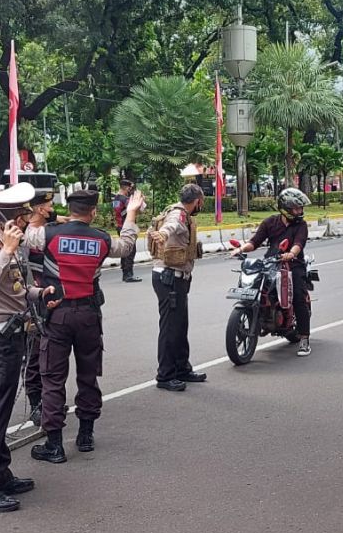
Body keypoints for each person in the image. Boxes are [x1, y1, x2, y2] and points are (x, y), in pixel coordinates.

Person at [24, 187, 143, 463]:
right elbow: (125, 246)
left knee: (52, 379)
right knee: (88, 374)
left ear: (70, 209)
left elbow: (26, 233)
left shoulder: (48, 235)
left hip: (58, 314)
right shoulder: (101, 239)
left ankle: (54, 445)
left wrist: (46, 216)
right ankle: (85, 435)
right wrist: (132, 213)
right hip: (89, 315)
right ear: (93, 211)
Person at [0, 183, 58, 512]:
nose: (27, 221)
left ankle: (0, 472)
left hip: (11, 332)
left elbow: (14, 288)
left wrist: (38, 294)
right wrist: (5, 251)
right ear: (9, 219)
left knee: (2, 410)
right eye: (23, 216)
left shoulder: (9, 244)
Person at [229, 188, 313, 357]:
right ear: (285, 208)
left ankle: (304, 338)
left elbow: (299, 243)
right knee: (256, 288)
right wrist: (241, 249)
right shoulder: (270, 222)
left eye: (300, 208)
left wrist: (291, 254)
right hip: (271, 262)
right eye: (296, 208)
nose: (300, 211)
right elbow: (255, 242)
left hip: (293, 264)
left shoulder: (301, 225)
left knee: (297, 295)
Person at [151, 183, 207, 391]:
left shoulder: (180, 212)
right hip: (169, 279)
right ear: (197, 201)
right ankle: (165, 376)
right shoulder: (179, 214)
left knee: (180, 325)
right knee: (170, 328)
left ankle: (182, 368)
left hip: (177, 278)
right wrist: (163, 234)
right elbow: (171, 226)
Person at [22, 188, 58, 426]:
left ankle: (49, 399)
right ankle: (36, 403)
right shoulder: (26, 236)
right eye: (49, 205)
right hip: (33, 300)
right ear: (38, 208)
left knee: (51, 354)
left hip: (50, 297)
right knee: (35, 355)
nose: (53, 209)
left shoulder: (46, 231)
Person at [111, 180, 141, 283]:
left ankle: (125, 270)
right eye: (130, 188)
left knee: (124, 249)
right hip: (127, 226)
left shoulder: (116, 198)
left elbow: (117, 211)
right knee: (131, 250)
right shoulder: (125, 199)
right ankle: (128, 274)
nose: (130, 190)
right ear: (126, 187)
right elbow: (136, 209)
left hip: (120, 226)